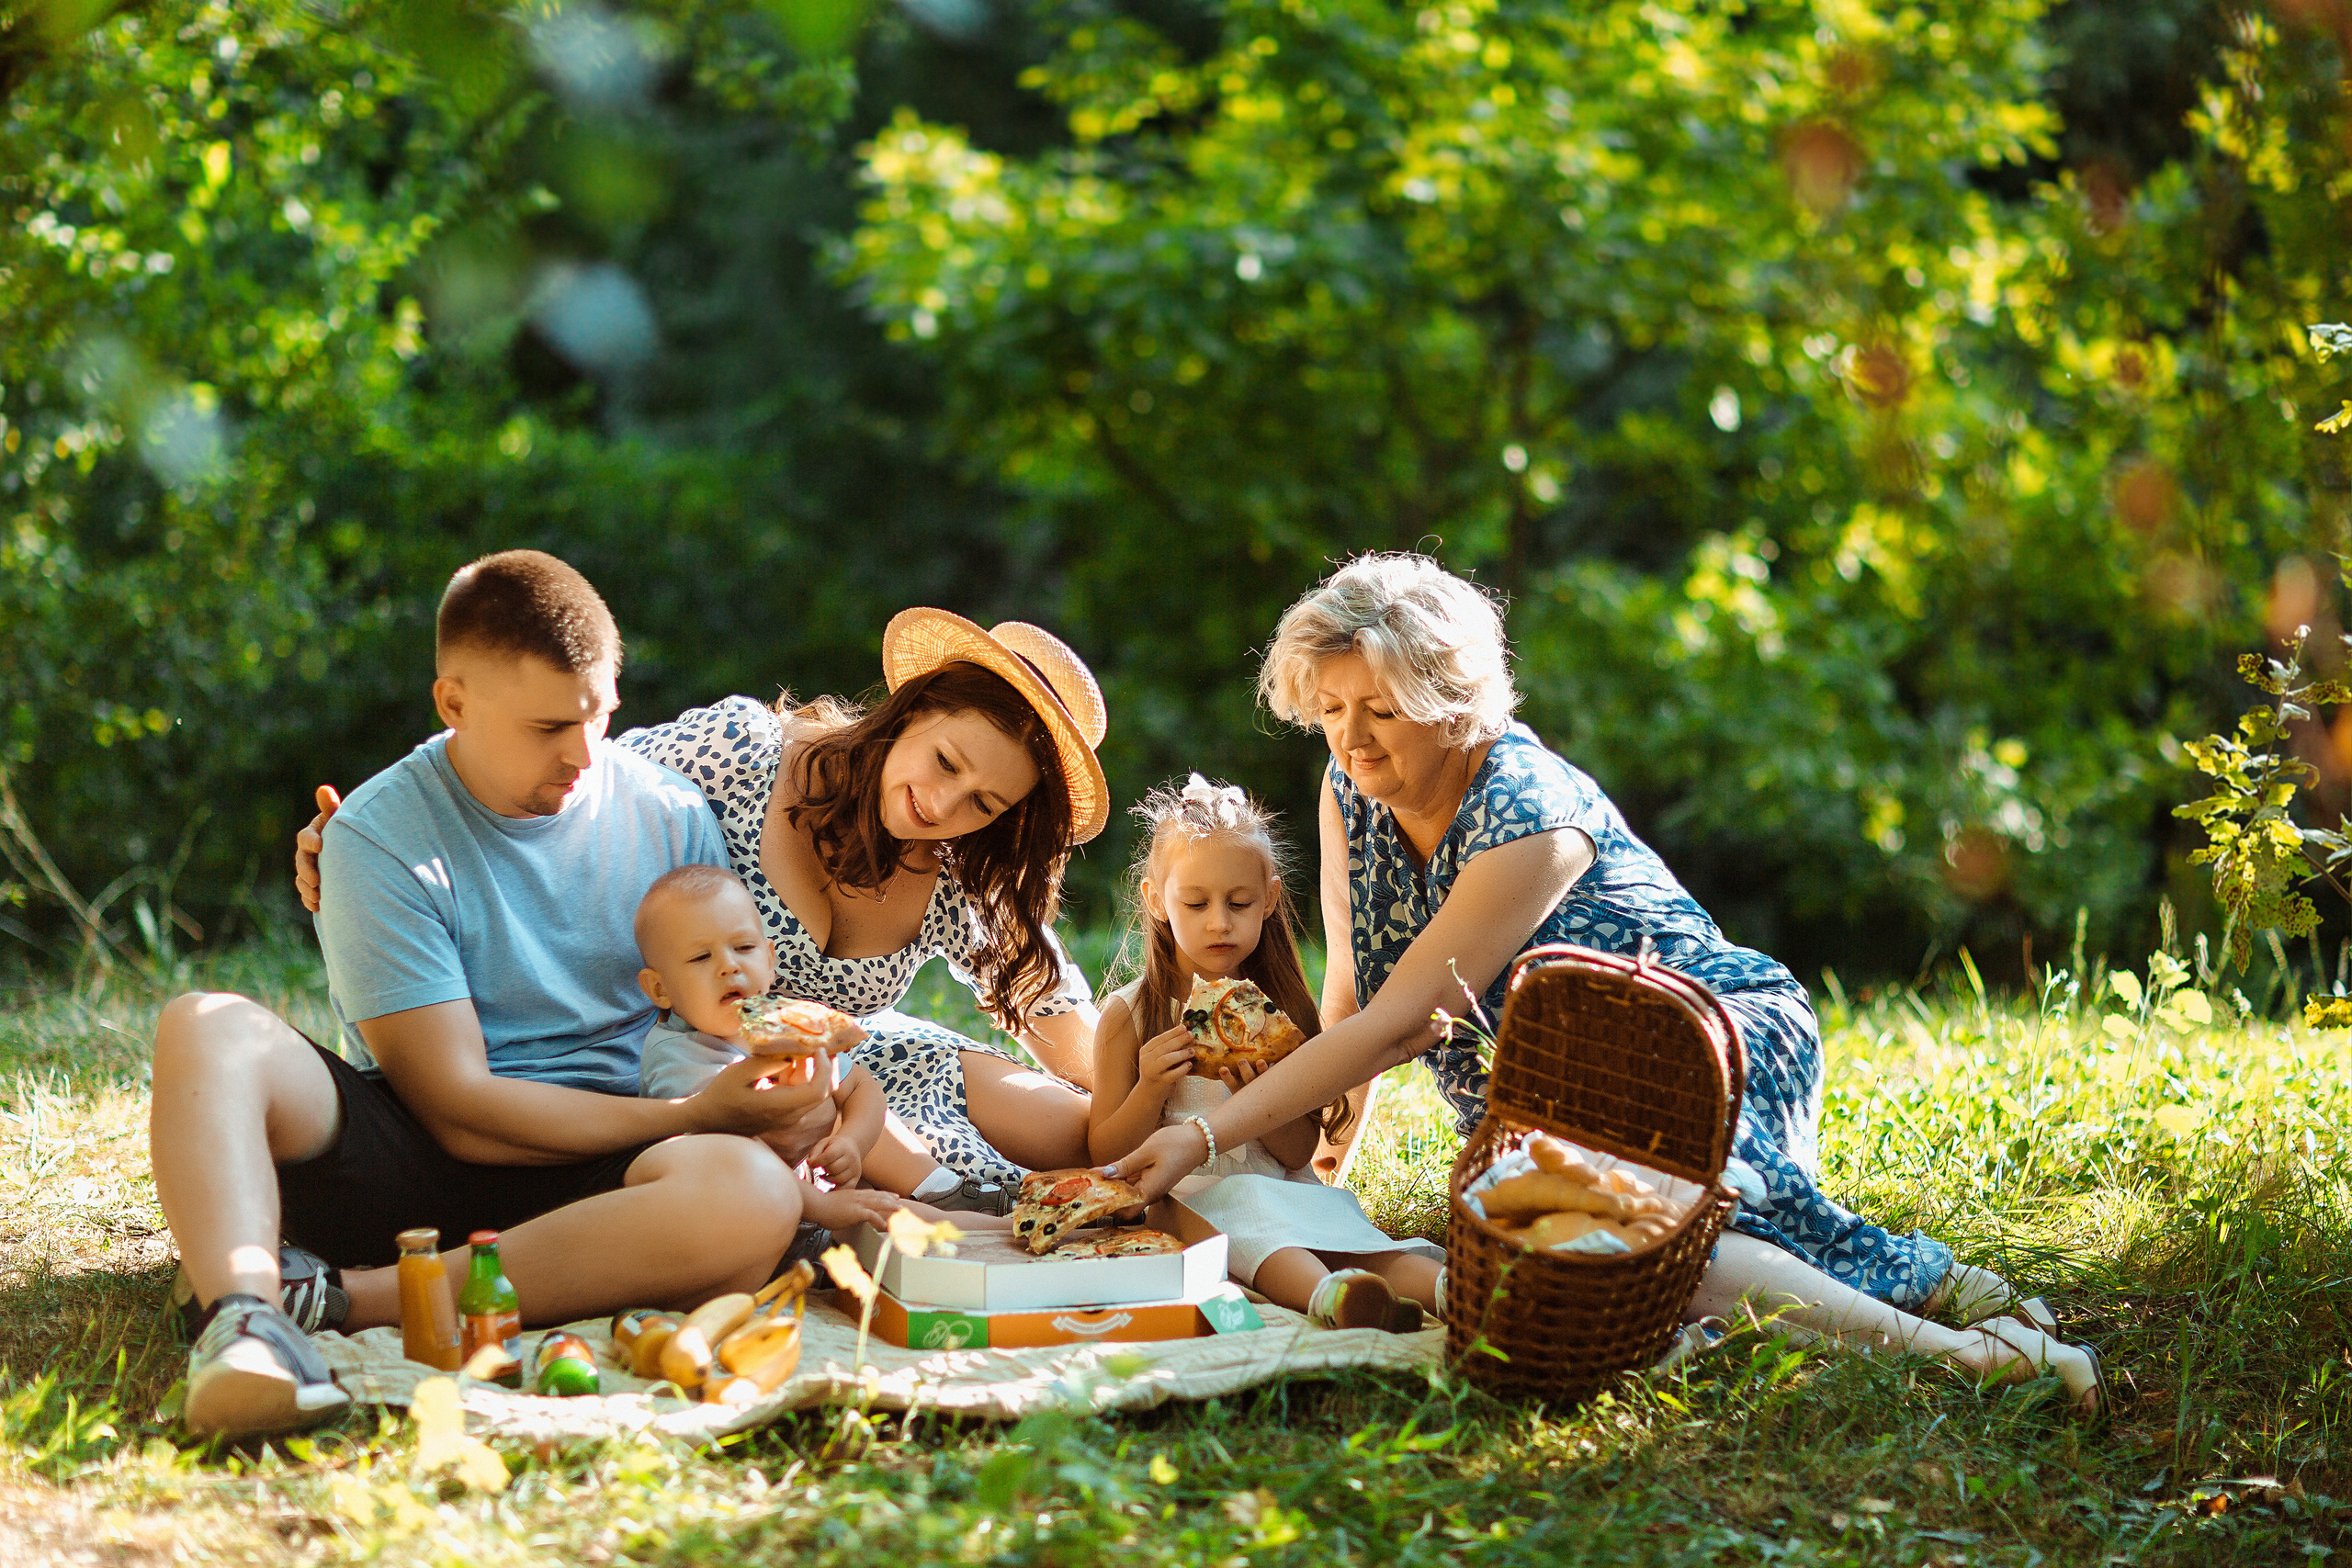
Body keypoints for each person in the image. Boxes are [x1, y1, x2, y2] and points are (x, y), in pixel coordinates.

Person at [1112, 554, 2103, 1416]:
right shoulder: (1349, 790)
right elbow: (1347, 1007)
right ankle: (1948, 1313)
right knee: (1579, 1254)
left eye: (1380, 710)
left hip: (1703, 1035)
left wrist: (1202, 1134)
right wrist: (1322, 1186)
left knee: (1655, 1237)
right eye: (1329, 711)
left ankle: (1960, 1345)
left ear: (1449, 703)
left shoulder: (1529, 813)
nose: (1352, 739)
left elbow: (1400, 1024)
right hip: (1546, 1100)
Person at [153, 551, 826, 1438]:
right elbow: (459, 1109)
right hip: (419, 1153)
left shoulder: (668, 814)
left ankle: (328, 1299)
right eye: (549, 726)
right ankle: (243, 1321)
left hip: (605, 1179)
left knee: (756, 1195)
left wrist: (781, 1098)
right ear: (455, 704)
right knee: (204, 1025)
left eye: (601, 715)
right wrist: (695, 1115)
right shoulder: (380, 835)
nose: (584, 754)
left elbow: (715, 1010)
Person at [298, 608, 1107, 1203]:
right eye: (944, 761)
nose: (945, 801)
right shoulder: (750, 753)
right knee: (947, 1186)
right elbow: (554, 781)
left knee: (1082, 1131)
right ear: (912, 711)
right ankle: (939, 1192)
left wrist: (1148, 1079)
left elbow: (1051, 1005)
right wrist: (379, 836)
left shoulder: (959, 867)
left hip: (863, 1064)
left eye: (985, 801)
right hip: (711, 1068)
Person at [1091, 774, 1442, 1331]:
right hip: (1194, 1201)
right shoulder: (1129, 1016)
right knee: (1254, 1231)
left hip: (1285, 1189)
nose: (1219, 922)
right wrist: (1150, 1087)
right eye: (1196, 902)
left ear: (1270, 899)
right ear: (1157, 901)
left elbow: (1300, 1151)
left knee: (1353, 1239)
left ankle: (1451, 1290)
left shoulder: (1278, 1011)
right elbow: (1104, 1150)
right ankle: (1333, 1298)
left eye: (1239, 902)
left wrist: (1257, 1096)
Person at [632, 863, 911, 1233]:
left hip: (818, 1200)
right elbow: (735, 1153)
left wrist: (851, 1143)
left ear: (769, 959)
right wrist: (822, 1208)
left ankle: (980, 1226)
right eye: (702, 957)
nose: (729, 966)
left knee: (903, 1215)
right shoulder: (675, 1055)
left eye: (743, 947)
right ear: (659, 990)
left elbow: (861, 1086)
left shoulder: (787, 1026)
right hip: (737, 1223)